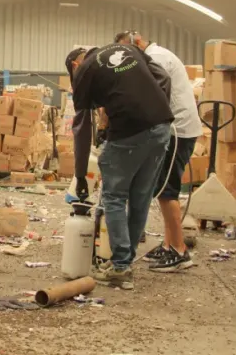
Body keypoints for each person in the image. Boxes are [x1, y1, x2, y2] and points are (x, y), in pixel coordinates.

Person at [66, 43, 173, 289]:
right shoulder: (127, 49)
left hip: (129, 133)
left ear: (75, 65)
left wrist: (81, 174)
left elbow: (82, 129)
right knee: (140, 198)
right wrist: (153, 114)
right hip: (161, 128)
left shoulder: (84, 71)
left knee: (113, 197)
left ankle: (121, 266)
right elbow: (163, 77)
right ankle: (125, 262)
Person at [114, 30, 201, 272]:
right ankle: (169, 244)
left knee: (167, 191)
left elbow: (151, 96)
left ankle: (180, 251)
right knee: (162, 188)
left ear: (137, 41)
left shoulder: (157, 59)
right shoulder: (155, 56)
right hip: (174, 129)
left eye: (129, 50)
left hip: (177, 131)